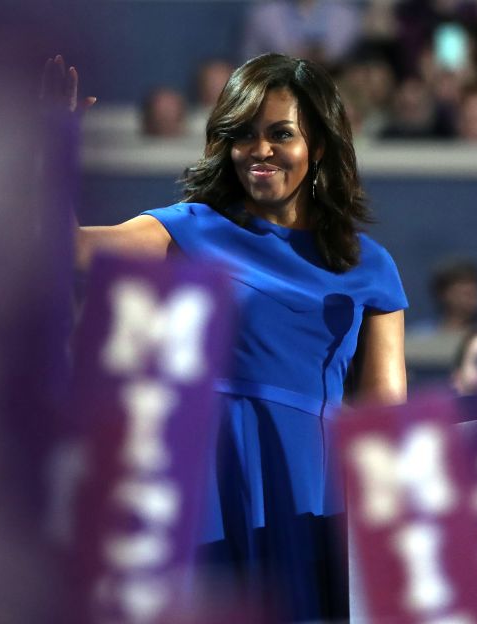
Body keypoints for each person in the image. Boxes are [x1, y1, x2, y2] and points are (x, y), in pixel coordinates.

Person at [50, 53, 408, 620]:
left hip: (311, 496)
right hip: (204, 483)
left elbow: (387, 418)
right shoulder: (191, 227)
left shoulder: (371, 268)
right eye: (242, 134)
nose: (259, 150)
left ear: (318, 146)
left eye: (281, 133)